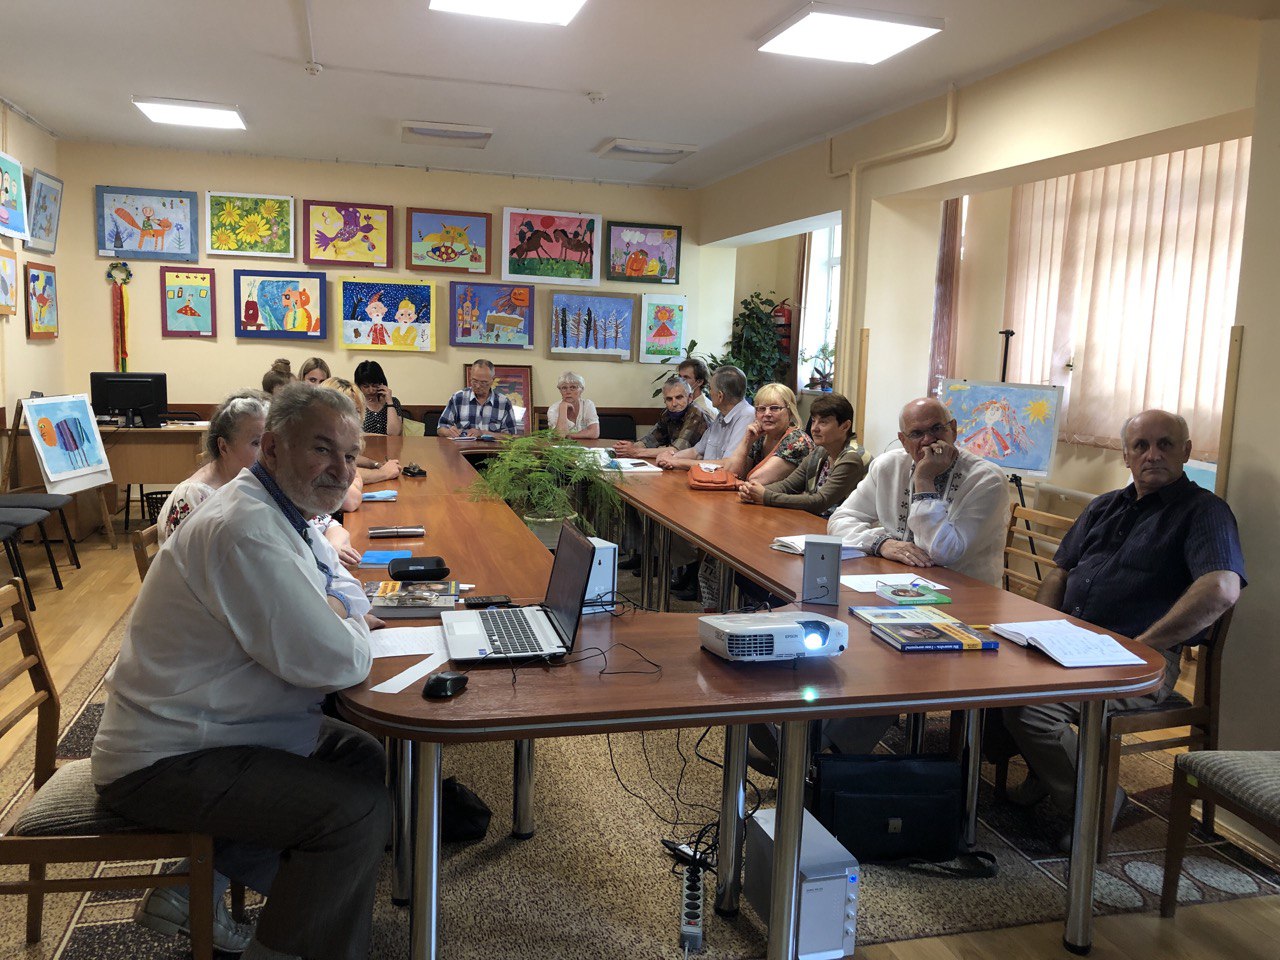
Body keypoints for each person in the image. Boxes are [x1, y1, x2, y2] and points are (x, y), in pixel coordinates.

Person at [91, 383, 391, 960]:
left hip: (216, 726)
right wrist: (343, 614)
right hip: (165, 758)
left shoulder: (280, 508)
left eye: (351, 455)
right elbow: (338, 660)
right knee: (354, 813)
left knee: (360, 755)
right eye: (322, 449)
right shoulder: (245, 527)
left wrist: (337, 610)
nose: (341, 469)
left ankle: (206, 891)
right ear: (272, 448)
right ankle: (288, 945)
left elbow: (338, 596)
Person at [1002, 409, 1245, 850]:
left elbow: (1222, 588)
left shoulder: (1203, 512)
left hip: (1143, 659)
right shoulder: (1105, 505)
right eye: (1141, 446)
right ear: (1126, 456)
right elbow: (1060, 572)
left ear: (1186, 451)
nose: (1153, 455)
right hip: (1073, 642)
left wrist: (1140, 647)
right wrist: (1041, 629)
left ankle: (1099, 801)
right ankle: (1050, 774)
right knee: (990, 677)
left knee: (1032, 709)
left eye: (1165, 444)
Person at [827, 396, 1009, 586]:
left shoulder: (987, 480)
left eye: (936, 428)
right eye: (916, 433)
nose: (928, 440)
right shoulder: (887, 466)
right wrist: (881, 544)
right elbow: (841, 519)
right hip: (896, 582)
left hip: (968, 591)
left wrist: (924, 480)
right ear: (903, 441)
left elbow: (945, 553)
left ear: (953, 430)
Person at [157, 391, 268, 544]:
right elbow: (183, 556)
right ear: (223, 447)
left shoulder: (248, 483)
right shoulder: (192, 496)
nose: (266, 452)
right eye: (256, 443)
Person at [738, 392, 867, 517]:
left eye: (823, 422)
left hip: (843, 528)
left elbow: (820, 502)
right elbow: (788, 485)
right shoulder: (820, 451)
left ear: (845, 426)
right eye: (814, 421)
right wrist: (752, 491)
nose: (814, 428)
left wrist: (766, 496)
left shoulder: (852, 457)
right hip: (819, 522)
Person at [656, 365, 754, 472]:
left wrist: (676, 462)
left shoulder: (747, 416)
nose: (709, 393)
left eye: (710, 389)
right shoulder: (722, 415)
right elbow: (696, 452)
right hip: (706, 478)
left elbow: (727, 465)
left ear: (720, 396)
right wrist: (670, 457)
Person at [722, 382, 814, 486]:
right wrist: (746, 441)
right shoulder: (760, 437)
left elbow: (755, 481)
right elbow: (729, 474)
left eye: (774, 408)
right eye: (761, 409)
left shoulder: (797, 440)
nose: (767, 414)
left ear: (790, 412)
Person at [321, 377, 402, 486]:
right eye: (347, 411)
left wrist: (374, 464)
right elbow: (342, 474)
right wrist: (384, 473)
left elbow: (347, 457)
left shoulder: (338, 435)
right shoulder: (318, 437)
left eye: (357, 411)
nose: (355, 418)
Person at [613, 375, 710, 460]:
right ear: (664, 400)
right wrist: (628, 448)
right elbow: (651, 438)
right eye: (669, 399)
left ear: (690, 398)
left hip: (703, 466)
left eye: (679, 397)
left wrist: (636, 452)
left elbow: (677, 451)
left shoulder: (696, 414)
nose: (674, 403)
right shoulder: (667, 413)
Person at [437, 357, 517, 437]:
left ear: (492, 380)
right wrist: (448, 432)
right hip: (462, 445)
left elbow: (511, 436)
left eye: (483, 382)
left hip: (491, 445)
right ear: (470, 377)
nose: (478, 386)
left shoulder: (504, 403)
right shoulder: (458, 398)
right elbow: (441, 428)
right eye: (474, 381)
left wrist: (484, 433)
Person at [353, 359, 403, 436]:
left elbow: (394, 433)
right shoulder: (355, 403)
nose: (371, 390)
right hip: (365, 443)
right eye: (366, 386)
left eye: (375, 385)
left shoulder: (393, 402)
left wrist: (389, 402)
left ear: (381, 383)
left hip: (389, 443)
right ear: (358, 386)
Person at [547, 371, 599, 439]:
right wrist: (563, 408)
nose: (568, 392)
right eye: (564, 388)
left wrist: (568, 435)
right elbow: (559, 436)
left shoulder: (587, 404)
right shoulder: (553, 409)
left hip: (586, 445)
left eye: (573, 387)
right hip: (561, 445)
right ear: (560, 391)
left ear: (581, 390)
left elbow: (594, 433)